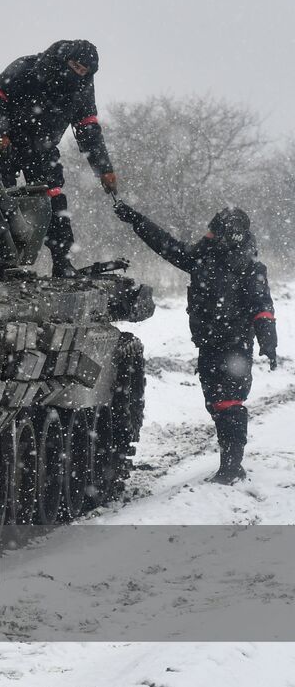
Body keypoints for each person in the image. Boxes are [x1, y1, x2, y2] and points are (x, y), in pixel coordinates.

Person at [114, 200, 279, 483]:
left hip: (235, 344)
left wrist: (268, 342)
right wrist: (136, 220)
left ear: (231, 235)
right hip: (209, 343)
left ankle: (232, 466)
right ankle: (228, 459)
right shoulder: (203, 258)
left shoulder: (251, 267)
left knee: (230, 401)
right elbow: (166, 245)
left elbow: (262, 305)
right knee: (215, 402)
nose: (209, 235)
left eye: (215, 232)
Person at [0, 39, 118, 277]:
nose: (78, 73)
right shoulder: (25, 68)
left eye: (84, 71)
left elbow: (88, 130)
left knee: (55, 202)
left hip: (43, 149)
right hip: (7, 142)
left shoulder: (83, 88)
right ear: (64, 60)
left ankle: (62, 262)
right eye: (76, 66)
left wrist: (103, 168)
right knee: (0, 199)